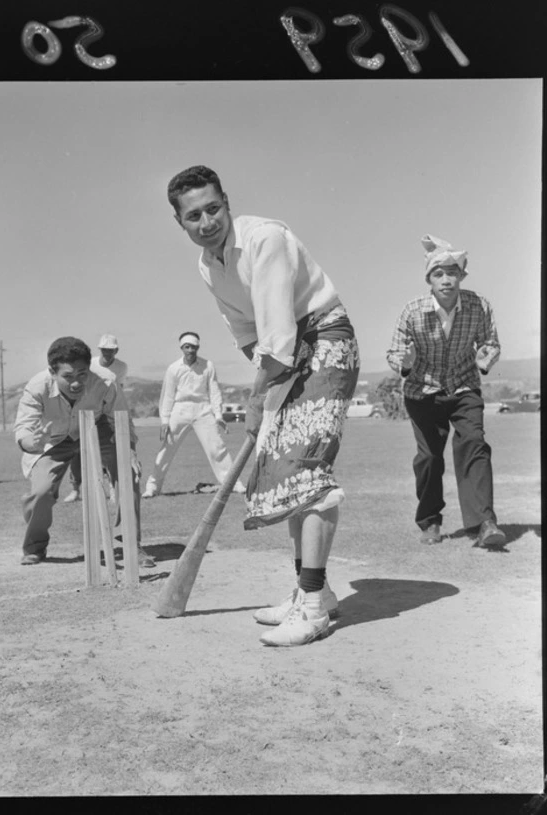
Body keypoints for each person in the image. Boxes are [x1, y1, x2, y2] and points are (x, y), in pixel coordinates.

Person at [166, 165, 359, 647]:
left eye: (213, 208)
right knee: (282, 472)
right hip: (284, 355)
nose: (207, 221)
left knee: (305, 470)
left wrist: (257, 396)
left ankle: (313, 609)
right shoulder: (208, 264)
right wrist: (266, 383)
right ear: (182, 223)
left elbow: (278, 333)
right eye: (194, 216)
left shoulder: (265, 238)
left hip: (326, 341)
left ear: (226, 202)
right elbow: (249, 335)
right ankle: (311, 591)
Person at [387, 234, 505, 548]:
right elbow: (395, 353)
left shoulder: (479, 306)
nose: (446, 280)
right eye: (438, 274)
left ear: (461, 277)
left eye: (452, 273)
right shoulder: (412, 311)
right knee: (429, 459)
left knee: (475, 445)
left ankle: (483, 523)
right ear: (429, 279)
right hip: (422, 392)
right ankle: (430, 522)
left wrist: (485, 359)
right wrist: (407, 363)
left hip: (465, 386)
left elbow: (491, 344)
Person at [14, 336, 155, 567]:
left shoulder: (106, 381)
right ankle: (34, 547)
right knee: (41, 492)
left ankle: (129, 544)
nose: (76, 383)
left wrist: (128, 449)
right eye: (67, 377)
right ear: (52, 371)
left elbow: (120, 418)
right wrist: (34, 443)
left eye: (82, 374)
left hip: (98, 428)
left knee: (128, 475)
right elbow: (23, 431)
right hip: (53, 439)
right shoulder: (37, 387)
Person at [141, 332, 246, 498]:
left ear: (198, 347)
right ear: (182, 348)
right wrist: (165, 420)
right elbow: (167, 395)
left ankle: (233, 484)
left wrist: (218, 415)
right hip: (180, 409)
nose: (190, 350)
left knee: (217, 448)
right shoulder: (173, 368)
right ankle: (152, 487)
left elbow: (214, 390)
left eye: (194, 347)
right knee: (167, 449)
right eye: (187, 347)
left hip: (203, 409)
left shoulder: (208, 365)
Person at [62, 333, 129, 503]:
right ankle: (76, 489)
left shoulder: (121, 367)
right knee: (76, 451)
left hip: (106, 411)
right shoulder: (89, 364)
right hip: (85, 411)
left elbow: (117, 390)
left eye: (111, 350)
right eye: (104, 350)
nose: (107, 353)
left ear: (116, 350)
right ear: (100, 350)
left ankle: (115, 488)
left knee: (111, 451)